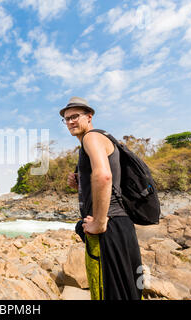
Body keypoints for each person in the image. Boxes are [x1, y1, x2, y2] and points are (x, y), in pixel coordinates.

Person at [61, 97, 143, 300]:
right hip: (120, 225)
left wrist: (98, 221)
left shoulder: (91, 138)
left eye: (75, 116)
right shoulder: (99, 140)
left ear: (89, 117)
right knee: (127, 291)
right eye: (66, 118)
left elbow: (104, 176)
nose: (70, 121)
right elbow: (107, 178)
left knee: (106, 291)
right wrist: (81, 183)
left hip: (109, 227)